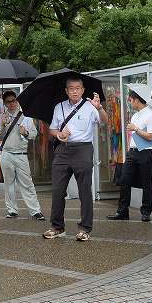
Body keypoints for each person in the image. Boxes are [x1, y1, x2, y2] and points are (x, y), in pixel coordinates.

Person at [43, 77, 108, 242]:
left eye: (78, 88)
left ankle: (85, 228)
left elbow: (104, 121)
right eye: (71, 88)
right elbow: (52, 129)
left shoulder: (90, 106)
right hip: (62, 150)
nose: (75, 91)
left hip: (83, 149)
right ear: (66, 91)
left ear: (83, 90)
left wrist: (100, 108)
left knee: (84, 190)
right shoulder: (59, 107)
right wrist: (59, 134)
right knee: (57, 190)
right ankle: (57, 227)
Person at [107, 89, 152, 222]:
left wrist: (136, 129)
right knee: (124, 180)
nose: (130, 102)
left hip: (146, 152)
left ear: (137, 100)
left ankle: (146, 212)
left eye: (131, 100)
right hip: (133, 152)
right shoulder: (135, 116)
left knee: (146, 183)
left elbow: (151, 136)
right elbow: (132, 136)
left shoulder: (151, 114)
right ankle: (122, 211)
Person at [0, 91, 45, 220]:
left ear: (17, 101)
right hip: (6, 154)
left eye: (13, 100)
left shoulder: (26, 117)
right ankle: (12, 210)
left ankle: (35, 210)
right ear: (5, 103)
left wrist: (26, 133)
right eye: (8, 102)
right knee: (9, 184)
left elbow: (34, 135)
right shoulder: (1, 117)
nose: (11, 104)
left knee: (27, 183)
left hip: (21, 154)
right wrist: (3, 126)